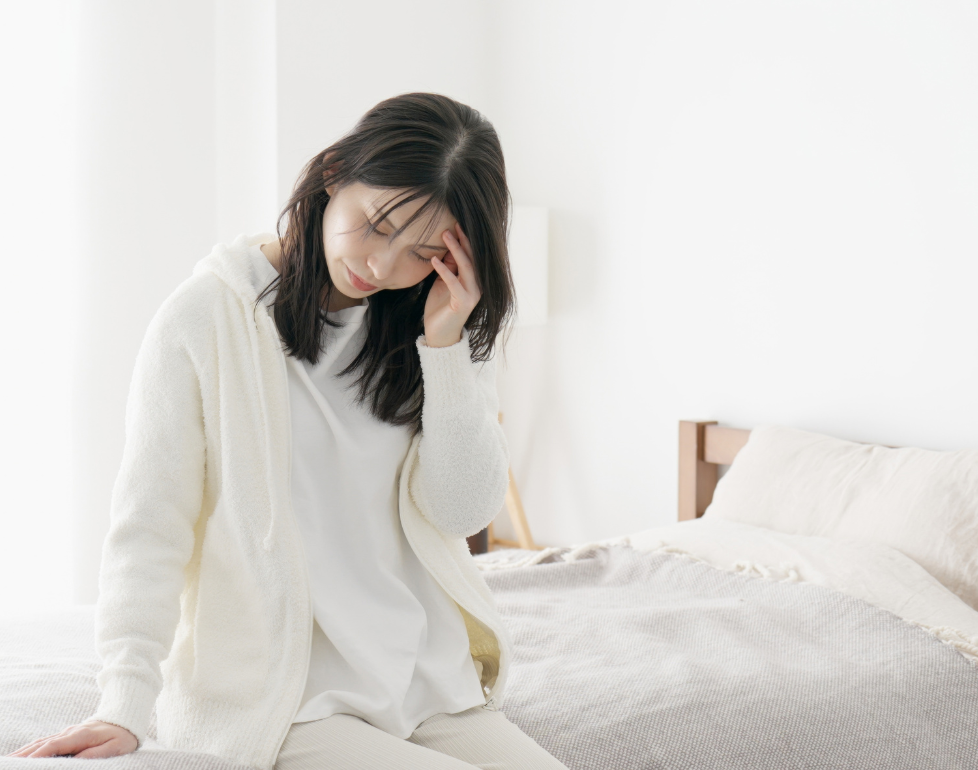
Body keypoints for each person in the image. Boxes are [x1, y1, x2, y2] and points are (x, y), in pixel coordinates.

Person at [7, 92, 569, 770]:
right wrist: (123, 703)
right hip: (288, 701)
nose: (383, 266)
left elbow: (462, 511)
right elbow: (150, 524)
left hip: (428, 685)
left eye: (421, 252)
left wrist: (446, 349)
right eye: (375, 223)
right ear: (334, 173)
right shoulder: (206, 319)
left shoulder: (432, 325)